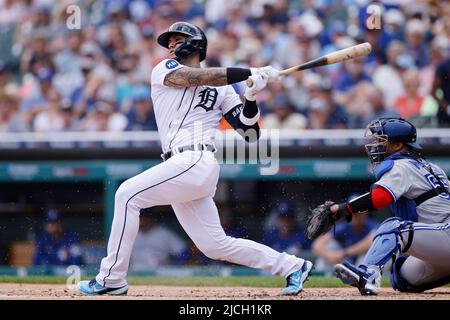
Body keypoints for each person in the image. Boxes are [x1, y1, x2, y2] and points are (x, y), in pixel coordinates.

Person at [78, 22, 313, 296]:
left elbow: (250, 132)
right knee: (215, 245)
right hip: (181, 165)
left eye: (177, 39)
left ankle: (111, 278)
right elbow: (198, 77)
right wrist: (249, 72)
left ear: (196, 42)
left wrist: (250, 96)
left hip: (194, 159)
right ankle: (292, 266)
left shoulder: (225, 89)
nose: (171, 45)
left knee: (126, 195)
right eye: (169, 41)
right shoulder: (164, 69)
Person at [321, 118, 450, 295]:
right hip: (441, 239)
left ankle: (368, 274)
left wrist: (341, 209)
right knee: (402, 278)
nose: (375, 145)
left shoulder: (401, 165)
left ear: (397, 145)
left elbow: (381, 198)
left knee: (393, 226)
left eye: (381, 141)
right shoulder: (432, 167)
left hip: (446, 233)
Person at [312, 194, 378, 273]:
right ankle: (323, 280)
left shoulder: (372, 226)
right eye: (353, 212)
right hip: (347, 261)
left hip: (362, 263)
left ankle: (364, 280)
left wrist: (344, 253)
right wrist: (330, 256)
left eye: (358, 212)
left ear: (365, 213)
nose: (355, 215)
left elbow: (371, 242)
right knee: (330, 247)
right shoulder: (344, 227)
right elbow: (317, 245)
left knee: (367, 255)